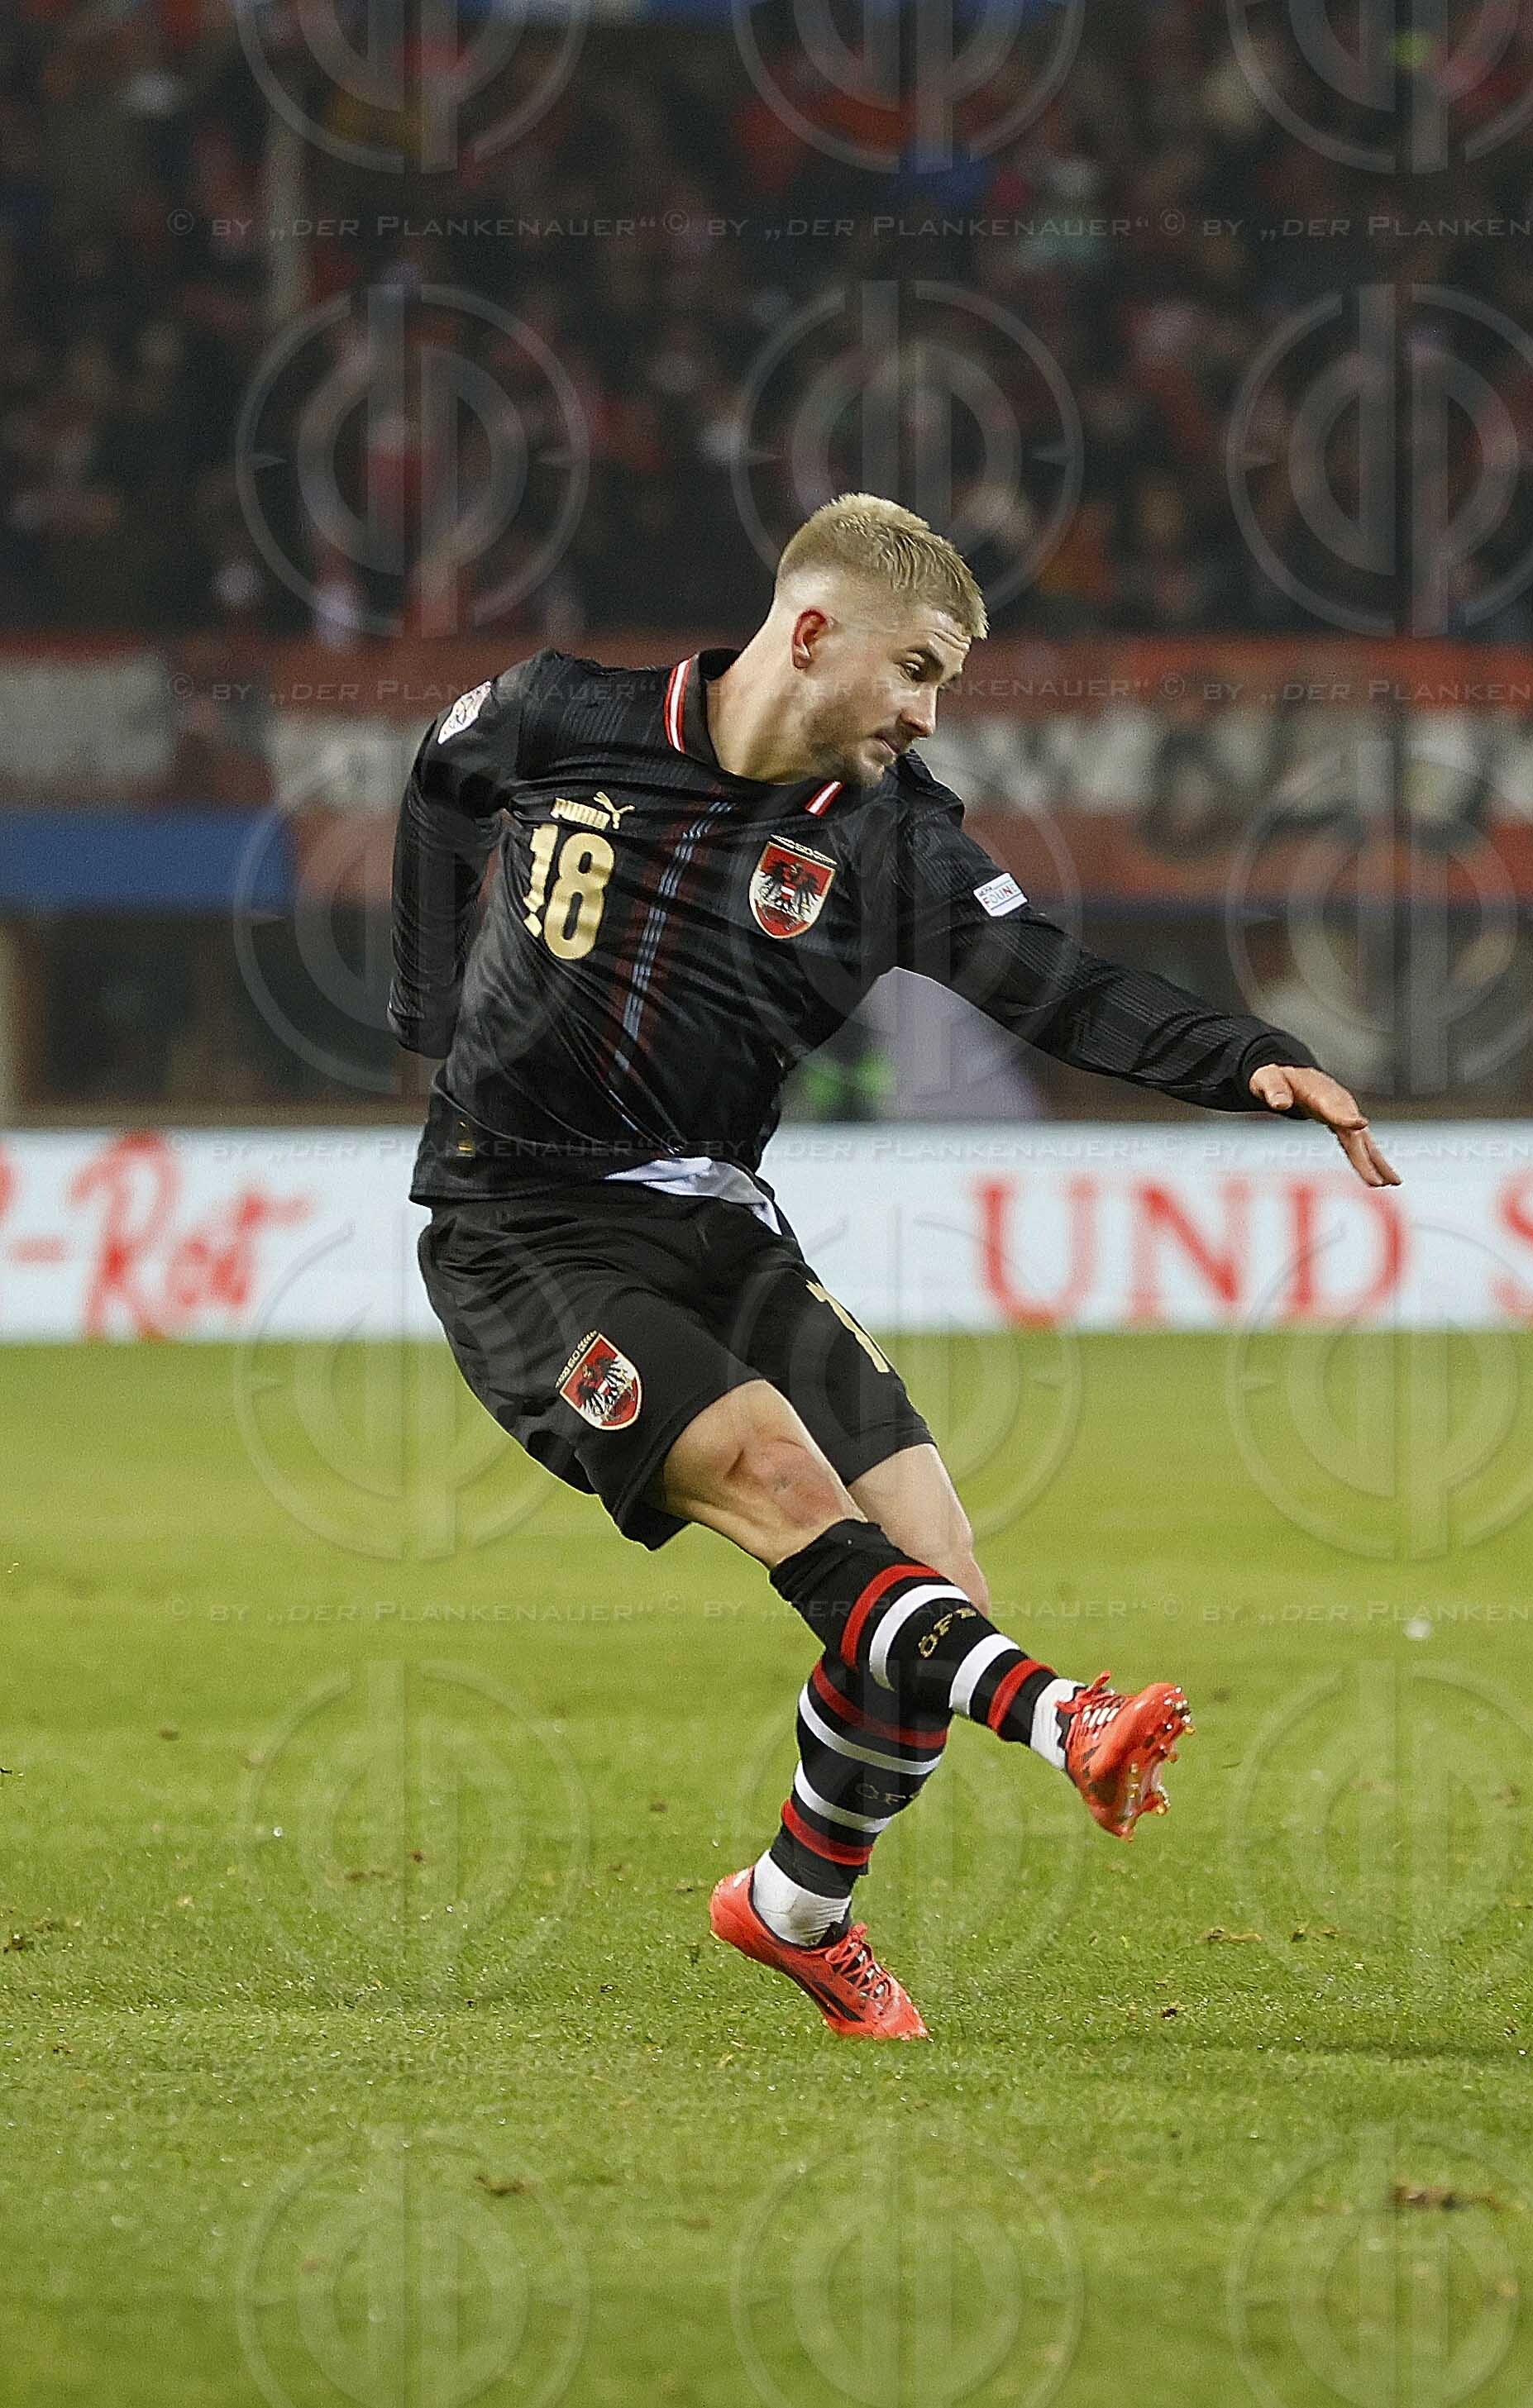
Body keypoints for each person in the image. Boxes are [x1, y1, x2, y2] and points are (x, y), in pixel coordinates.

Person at [390, 494, 1396, 2039]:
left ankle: (793, 1908)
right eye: (916, 670)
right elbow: (444, 775)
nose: (929, 713)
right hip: (523, 1223)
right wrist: (424, 1007)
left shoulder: (896, 841)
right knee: (792, 1495)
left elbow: (1055, 985)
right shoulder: (564, 713)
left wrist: (1246, 1057)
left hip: (718, 1217)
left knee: (933, 1591)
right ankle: (1068, 1718)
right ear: (811, 634)